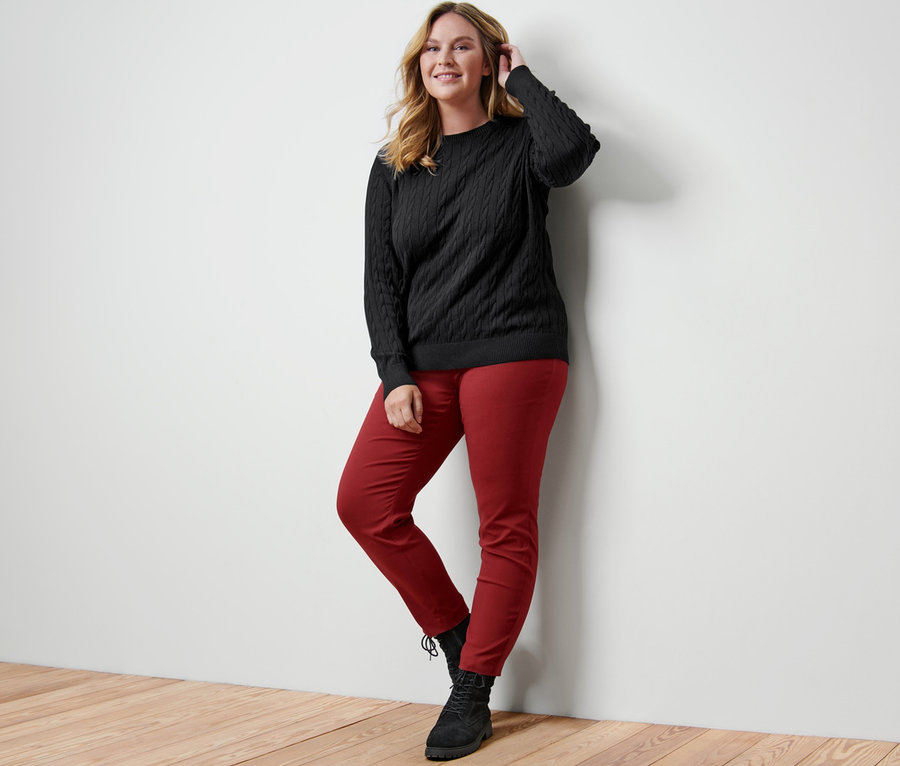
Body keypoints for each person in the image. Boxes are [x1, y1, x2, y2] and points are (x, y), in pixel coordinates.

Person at [337, 2, 599, 760]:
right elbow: (380, 282)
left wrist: (523, 80)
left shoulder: (523, 143)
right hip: (424, 366)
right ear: (417, 64)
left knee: (503, 526)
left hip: (515, 353)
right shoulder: (395, 164)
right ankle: (460, 639)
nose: (444, 59)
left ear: (489, 61)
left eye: (463, 47)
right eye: (431, 48)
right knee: (365, 503)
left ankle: (473, 693)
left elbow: (573, 154)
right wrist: (394, 373)